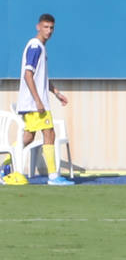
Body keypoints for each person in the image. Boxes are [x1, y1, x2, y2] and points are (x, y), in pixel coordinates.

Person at [16, 13, 74, 186]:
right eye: (46, 27)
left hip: (34, 102)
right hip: (35, 104)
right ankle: (53, 176)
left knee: (28, 138)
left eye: (51, 28)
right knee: (49, 133)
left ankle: (5, 167)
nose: (49, 31)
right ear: (38, 27)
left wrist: (56, 93)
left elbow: (41, 78)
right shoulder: (35, 46)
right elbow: (28, 75)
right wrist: (38, 101)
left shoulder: (40, 47)